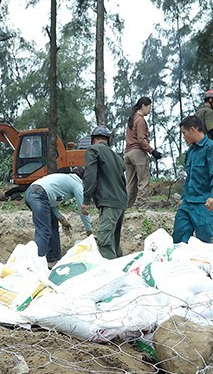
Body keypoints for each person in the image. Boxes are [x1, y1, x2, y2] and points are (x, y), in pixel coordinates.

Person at [172, 114, 213, 243]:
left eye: (184, 133)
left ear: (193, 129)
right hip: (187, 203)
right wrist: (183, 198)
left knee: (204, 242)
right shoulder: (191, 152)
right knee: (178, 239)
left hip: (203, 203)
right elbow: (190, 178)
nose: (183, 137)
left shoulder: (212, 148)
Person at [24, 172, 92, 266]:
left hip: (32, 193)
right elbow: (82, 209)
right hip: (38, 195)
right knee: (44, 231)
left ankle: (52, 260)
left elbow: (50, 202)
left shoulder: (66, 181)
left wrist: (62, 219)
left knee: (52, 225)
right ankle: (36, 265)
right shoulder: (77, 184)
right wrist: (89, 231)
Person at [83, 125, 127, 259]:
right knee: (114, 240)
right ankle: (121, 269)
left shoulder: (93, 150)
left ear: (93, 139)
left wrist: (86, 200)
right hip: (121, 202)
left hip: (109, 200)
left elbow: (90, 177)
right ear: (107, 140)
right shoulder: (117, 156)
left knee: (104, 241)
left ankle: (110, 275)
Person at [123, 96, 159, 207]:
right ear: (143, 106)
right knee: (143, 179)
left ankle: (127, 206)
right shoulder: (140, 120)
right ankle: (142, 205)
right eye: (149, 107)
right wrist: (152, 151)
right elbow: (141, 139)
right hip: (137, 153)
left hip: (128, 153)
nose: (149, 110)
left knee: (130, 182)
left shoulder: (131, 119)